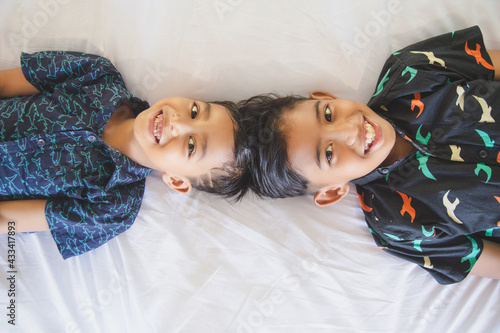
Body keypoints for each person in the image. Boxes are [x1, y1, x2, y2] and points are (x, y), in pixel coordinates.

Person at [237, 26, 500, 284]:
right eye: (328, 153)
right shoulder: (396, 227)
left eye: (328, 115)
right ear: (332, 191)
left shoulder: (413, 70)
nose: (348, 129)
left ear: (326, 97)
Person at [0, 51, 241, 259]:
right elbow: (4, 83)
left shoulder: (114, 208)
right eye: (195, 111)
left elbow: (7, 219)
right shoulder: (98, 74)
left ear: (176, 180)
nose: (177, 122)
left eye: (191, 146)